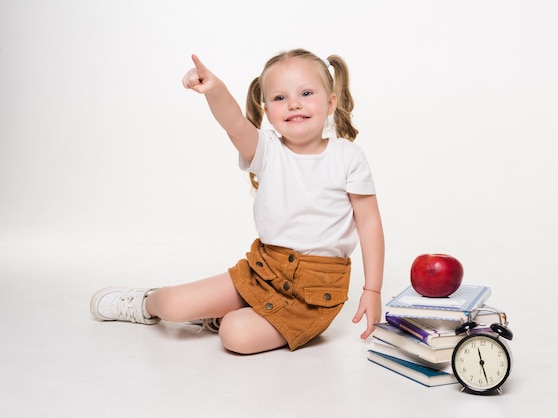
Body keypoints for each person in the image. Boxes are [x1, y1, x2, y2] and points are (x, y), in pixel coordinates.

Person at [90, 48, 385, 354]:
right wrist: (214, 90)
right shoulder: (266, 149)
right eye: (280, 98)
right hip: (265, 270)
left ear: (330, 102)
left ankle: (223, 319)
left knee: (235, 335)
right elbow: (233, 123)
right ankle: (145, 302)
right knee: (173, 305)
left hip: (315, 293)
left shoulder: (348, 157)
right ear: (267, 111)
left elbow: (369, 222)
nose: (294, 104)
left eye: (306, 93)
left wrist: (371, 289)